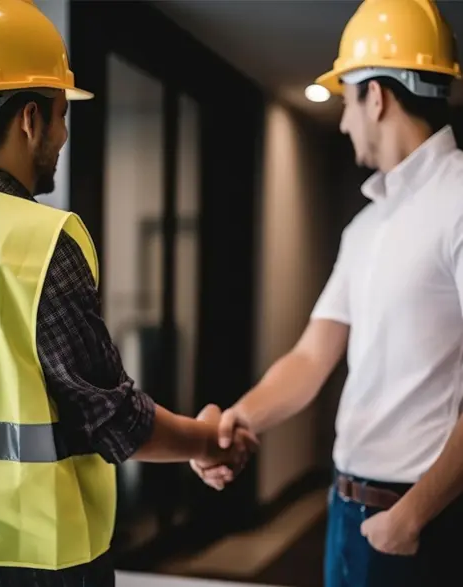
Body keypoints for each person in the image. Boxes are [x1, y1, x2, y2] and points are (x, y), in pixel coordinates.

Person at [191, 0, 463, 585]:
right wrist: (237, 419)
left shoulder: (460, 200)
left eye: (347, 100)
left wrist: (413, 515)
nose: (343, 122)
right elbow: (313, 356)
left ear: (378, 96)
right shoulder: (366, 227)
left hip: (421, 517)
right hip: (345, 509)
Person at [0, 1, 257, 586]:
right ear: (29, 119)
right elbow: (112, 417)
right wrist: (208, 441)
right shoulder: (37, 243)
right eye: (62, 114)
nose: (62, 134)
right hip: (35, 559)